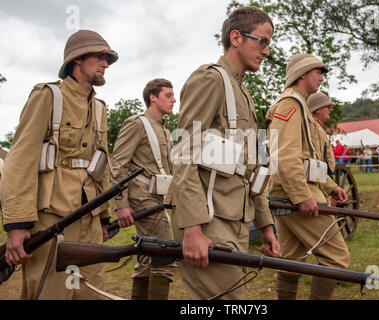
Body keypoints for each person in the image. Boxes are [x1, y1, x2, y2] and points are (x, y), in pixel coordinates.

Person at [171, 6, 279, 300]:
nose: (267, 51)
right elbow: (183, 153)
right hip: (208, 221)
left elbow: (255, 167)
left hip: (237, 220)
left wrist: (265, 224)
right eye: (262, 41)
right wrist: (192, 228)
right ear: (236, 37)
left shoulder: (246, 96)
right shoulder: (209, 80)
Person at [0, 30, 118, 299]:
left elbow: (100, 166)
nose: (106, 64)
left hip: (89, 216)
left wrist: (103, 217)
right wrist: (17, 225)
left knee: (93, 292)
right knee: (50, 291)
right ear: (77, 59)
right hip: (52, 217)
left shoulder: (100, 108)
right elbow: (20, 160)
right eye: (100, 56)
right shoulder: (48, 96)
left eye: (108, 58)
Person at [266, 53, 349, 300]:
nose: (321, 78)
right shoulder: (290, 104)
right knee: (337, 258)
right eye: (318, 72)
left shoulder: (301, 106)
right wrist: (302, 196)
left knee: (291, 260)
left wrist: (331, 186)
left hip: (291, 194)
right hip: (295, 196)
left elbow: (309, 160)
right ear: (302, 73)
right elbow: (285, 155)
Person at [111, 79, 177, 300]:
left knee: (148, 260)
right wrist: (121, 205)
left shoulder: (164, 129)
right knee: (165, 258)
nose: (174, 99)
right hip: (143, 199)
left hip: (159, 200)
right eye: (168, 95)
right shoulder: (137, 124)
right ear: (153, 97)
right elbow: (117, 165)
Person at [307, 92, 336, 173]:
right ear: (317, 110)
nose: (330, 110)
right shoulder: (314, 128)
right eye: (328, 107)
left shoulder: (318, 127)